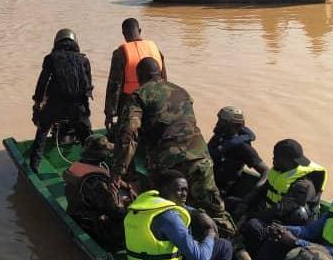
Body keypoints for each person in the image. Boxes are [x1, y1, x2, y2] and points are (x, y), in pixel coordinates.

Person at [110, 58, 235, 237]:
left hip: (167, 164)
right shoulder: (182, 91)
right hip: (200, 157)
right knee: (216, 211)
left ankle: (173, 253)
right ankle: (242, 256)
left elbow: (129, 133)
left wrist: (118, 170)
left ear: (140, 77)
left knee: (166, 210)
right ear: (160, 72)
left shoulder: (139, 95)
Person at [252, 170, 333, 260]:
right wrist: (282, 229)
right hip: (317, 255)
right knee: (275, 241)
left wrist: (295, 241)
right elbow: (309, 231)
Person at [240, 139, 327, 256]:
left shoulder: (304, 185)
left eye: (276, 157)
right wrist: (245, 203)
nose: (273, 159)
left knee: (253, 224)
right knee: (233, 204)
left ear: (286, 160)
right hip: (272, 216)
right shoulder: (280, 170)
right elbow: (263, 189)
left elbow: (281, 208)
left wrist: (251, 215)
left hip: (291, 227)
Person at [29, 29, 93, 173]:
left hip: (55, 104)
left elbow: (42, 83)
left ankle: (34, 167)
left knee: (42, 130)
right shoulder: (84, 60)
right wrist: (85, 112)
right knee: (87, 136)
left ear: (57, 42)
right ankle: (95, 165)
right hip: (78, 105)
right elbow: (87, 87)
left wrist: (37, 103)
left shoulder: (51, 58)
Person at [64, 133, 130, 251]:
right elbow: (114, 212)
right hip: (90, 226)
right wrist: (125, 206)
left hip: (76, 213)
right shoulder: (96, 182)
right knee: (129, 220)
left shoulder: (79, 167)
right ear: (101, 155)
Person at [104, 18, 167, 137]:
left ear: (123, 33)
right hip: (154, 99)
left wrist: (109, 114)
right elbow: (164, 79)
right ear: (140, 30)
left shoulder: (120, 53)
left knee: (124, 134)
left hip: (130, 101)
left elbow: (114, 85)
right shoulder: (156, 50)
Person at [207, 106, 268, 199]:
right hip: (205, 183)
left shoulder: (243, 148)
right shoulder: (218, 138)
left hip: (218, 191)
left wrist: (255, 191)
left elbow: (266, 171)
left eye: (222, 122)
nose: (217, 124)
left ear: (233, 126)